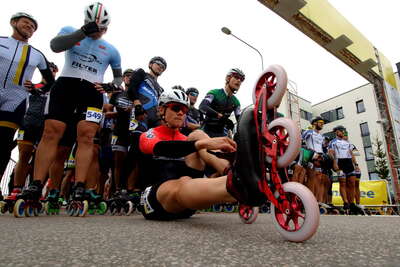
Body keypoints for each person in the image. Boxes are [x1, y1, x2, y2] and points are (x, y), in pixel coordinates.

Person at [20, 2, 122, 202]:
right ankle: (36, 184)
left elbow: (118, 79)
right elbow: (55, 46)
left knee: (86, 138)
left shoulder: (111, 50)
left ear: (107, 28)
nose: (97, 32)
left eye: (101, 29)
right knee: (51, 133)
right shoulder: (70, 31)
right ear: (86, 22)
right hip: (65, 87)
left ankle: (80, 186)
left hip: (92, 92)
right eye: (94, 26)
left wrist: (111, 86)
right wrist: (82, 32)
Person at [136, 88, 270, 220]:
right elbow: (160, 148)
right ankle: (237, 184)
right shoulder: (149, 134)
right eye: (176, 108)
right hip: (156, 199)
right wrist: (203, 144)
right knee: (183, 179)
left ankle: (235, 173)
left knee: (197, 134)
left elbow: (197, 149)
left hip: (189, 201)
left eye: (184, 110)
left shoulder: (186, 138)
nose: (181, 113)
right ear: (161, 110)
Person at [0, 12, 55, 179]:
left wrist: (37, 88)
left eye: (33, 27)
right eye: (26, 23)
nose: (30, 27)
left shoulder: (36, 54)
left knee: (3, 145)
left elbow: (50, 82)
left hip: (15, 99)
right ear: (14, 22)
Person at [6, 63, 58, 201]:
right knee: (24, 155)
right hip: (28, 123)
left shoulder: (57, 90)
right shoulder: (32, 86)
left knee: (41, 159)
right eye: (48, 70)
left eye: (53, 70)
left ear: (56, 72)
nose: (50, 72)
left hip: (45, 126)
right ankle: (17, 189)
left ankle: (36, 188)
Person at [199, 68, 243, 137]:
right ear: (228, 78)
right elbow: (202, 107)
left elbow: (240, 120)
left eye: (242, 79)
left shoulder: (236, 102)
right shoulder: (214, 93)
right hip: (206, 131)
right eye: (236, 77)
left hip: (220, 134)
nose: (239, 80)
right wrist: (220, 116)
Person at [127, 57, 167, 129]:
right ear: (150, 64)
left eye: (163, 67)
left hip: (155, 118)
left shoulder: (161, 89)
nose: (160, 67)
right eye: (158, 64)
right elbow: (132, 87)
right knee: (136, 137)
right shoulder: (142, 73)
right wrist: (137, 105)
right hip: (141, 112)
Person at [328, 125, 359, 214]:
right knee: (343, 183)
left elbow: (352, 154)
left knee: (352, 183)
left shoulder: (348, 142)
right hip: (339, 163)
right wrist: (334, 163)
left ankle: (352, 203)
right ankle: (345, 202)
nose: (341, 132)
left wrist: (356, 164)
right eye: (339, 131)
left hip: (349, 163)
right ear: (336, 132)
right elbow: (330, 153)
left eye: (342, 131)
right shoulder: (333, 142)